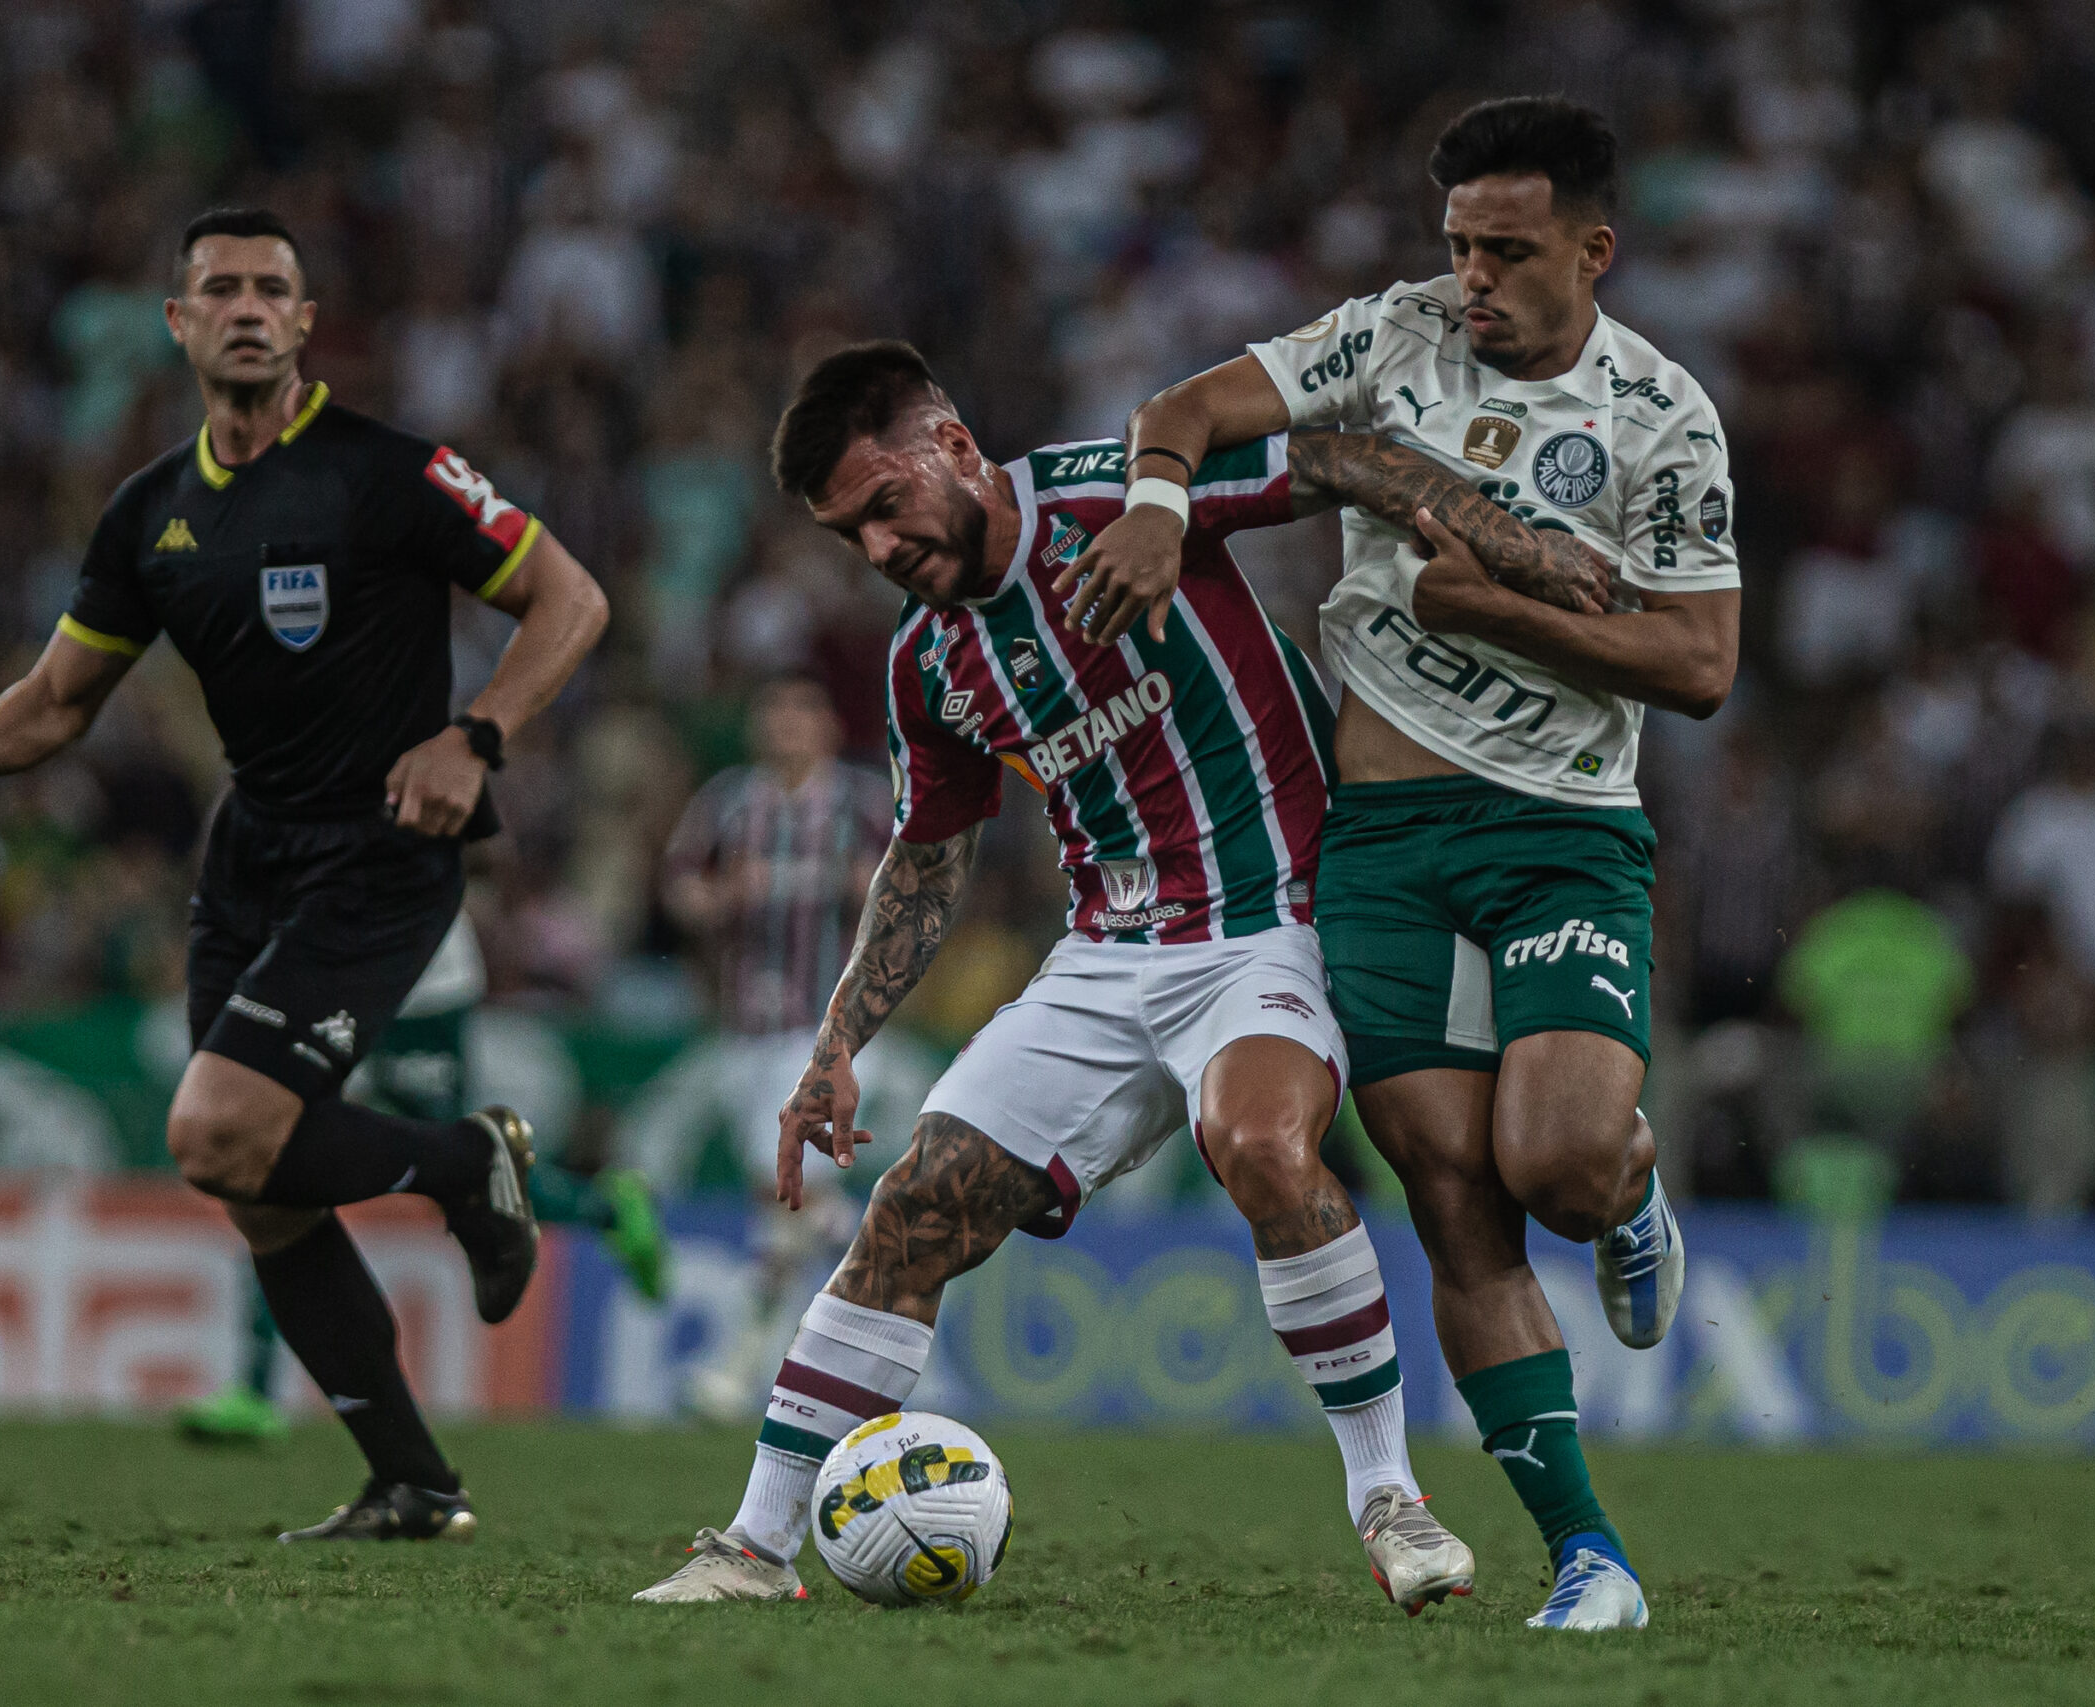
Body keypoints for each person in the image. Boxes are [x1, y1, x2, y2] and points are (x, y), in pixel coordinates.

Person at [632, 342, 1599, 1612]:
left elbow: (1340, 458)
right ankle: (754, 1550)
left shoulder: (1119, 499)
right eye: (844, 534)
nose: (875, 549)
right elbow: (928, 858)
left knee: (1256, 1143)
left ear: (954, 447)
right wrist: (838, 1038)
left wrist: (1513, 543)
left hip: (1275, 921)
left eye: (883, 506)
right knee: (913, 1205)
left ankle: (1389, 1503)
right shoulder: (930, 663)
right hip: (1107, 953)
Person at [1073, 96, 1742, 1630]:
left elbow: (1700, 664)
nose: (1474, 278)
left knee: (1555, 1163)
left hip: (1562, 835)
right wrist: (1162, 508)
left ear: (1595, 248)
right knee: (1452, 1195)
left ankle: (1632, 1185)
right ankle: (1592, 1556)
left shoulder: (1663, 412)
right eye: (1457, 245)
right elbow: (1179, 405)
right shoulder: (1392, 336)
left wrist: (1493, 604)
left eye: (1507, 250)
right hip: (1378, 842)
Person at [0, 208, 611, 1540]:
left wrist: (475, 734)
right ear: (180, 322)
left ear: (308, 323)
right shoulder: (151, 515)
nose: (250, 306)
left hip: (385, 849)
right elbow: (61, 697)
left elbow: (571, 597)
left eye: (275, 287)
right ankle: (414, 1482)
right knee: (257, 1189)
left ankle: (464, 1160)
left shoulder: (395, 472)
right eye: (223, 288)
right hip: (250, 853)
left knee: (212, 1127)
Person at [176, 908, 671, 1446]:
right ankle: (252, 1391)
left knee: (457, 1169)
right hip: (317, 969)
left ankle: (605, 1208)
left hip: (415, 975)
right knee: (274, 1159)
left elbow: (463, 854)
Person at [648, 673, 919, 1422]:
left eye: (803, 710)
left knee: (789, 1184)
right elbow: (679, 887)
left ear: (828, 725)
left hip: (826, 1028)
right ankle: (872, 1259)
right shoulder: (731, 801)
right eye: (775, 711)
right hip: (743, 1029)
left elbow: (911, 887)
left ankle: (739, 1370)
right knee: (791, 1205)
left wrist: (861, 891)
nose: (787, 725)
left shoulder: (861, 804)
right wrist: (718, 898)